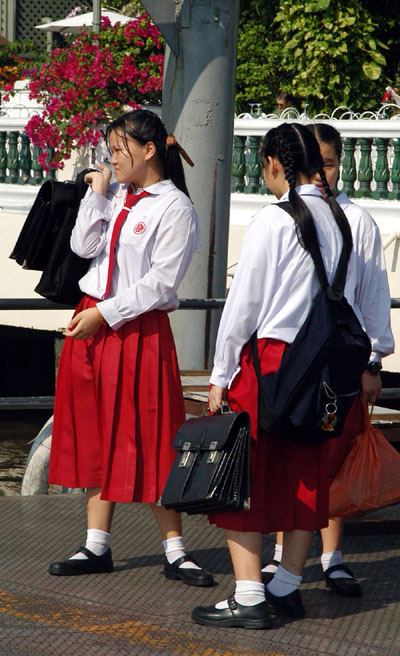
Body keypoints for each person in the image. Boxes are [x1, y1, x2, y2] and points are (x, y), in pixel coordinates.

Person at [191, 122, 394, 629]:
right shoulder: (343, 219)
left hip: (272, 361)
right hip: (324, 366)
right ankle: (286, 584)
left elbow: (245, 304)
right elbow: (362, 297)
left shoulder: (275, 221)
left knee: (244, 470)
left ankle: (249, 593)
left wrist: (220, 371)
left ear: (276, 164)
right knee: (307, 473)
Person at [47, 109, 214, 588]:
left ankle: (175, 550)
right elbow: (83, 246)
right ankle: (95, 543)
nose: (112, 158)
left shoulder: (175, 207)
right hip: (94, 317)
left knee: (152, 433)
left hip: (135, 328)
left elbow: (162, 284)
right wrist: (96, 196)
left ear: (149, 150)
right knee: (96, 430)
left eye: (120, 149)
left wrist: (105, 314)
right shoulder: (116, 193)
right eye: (110, 149)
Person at [261, 122, 394, 597]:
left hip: (340, 357)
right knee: (291, 453)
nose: (322, 174)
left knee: (331, 457)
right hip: (295, 356)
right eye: (315, 164)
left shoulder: (357, 221)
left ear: (341, 165)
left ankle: (331, 556)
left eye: (331, 164)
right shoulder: (285, 214)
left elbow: (373, 294)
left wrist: (373, 360)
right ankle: (283, 557)